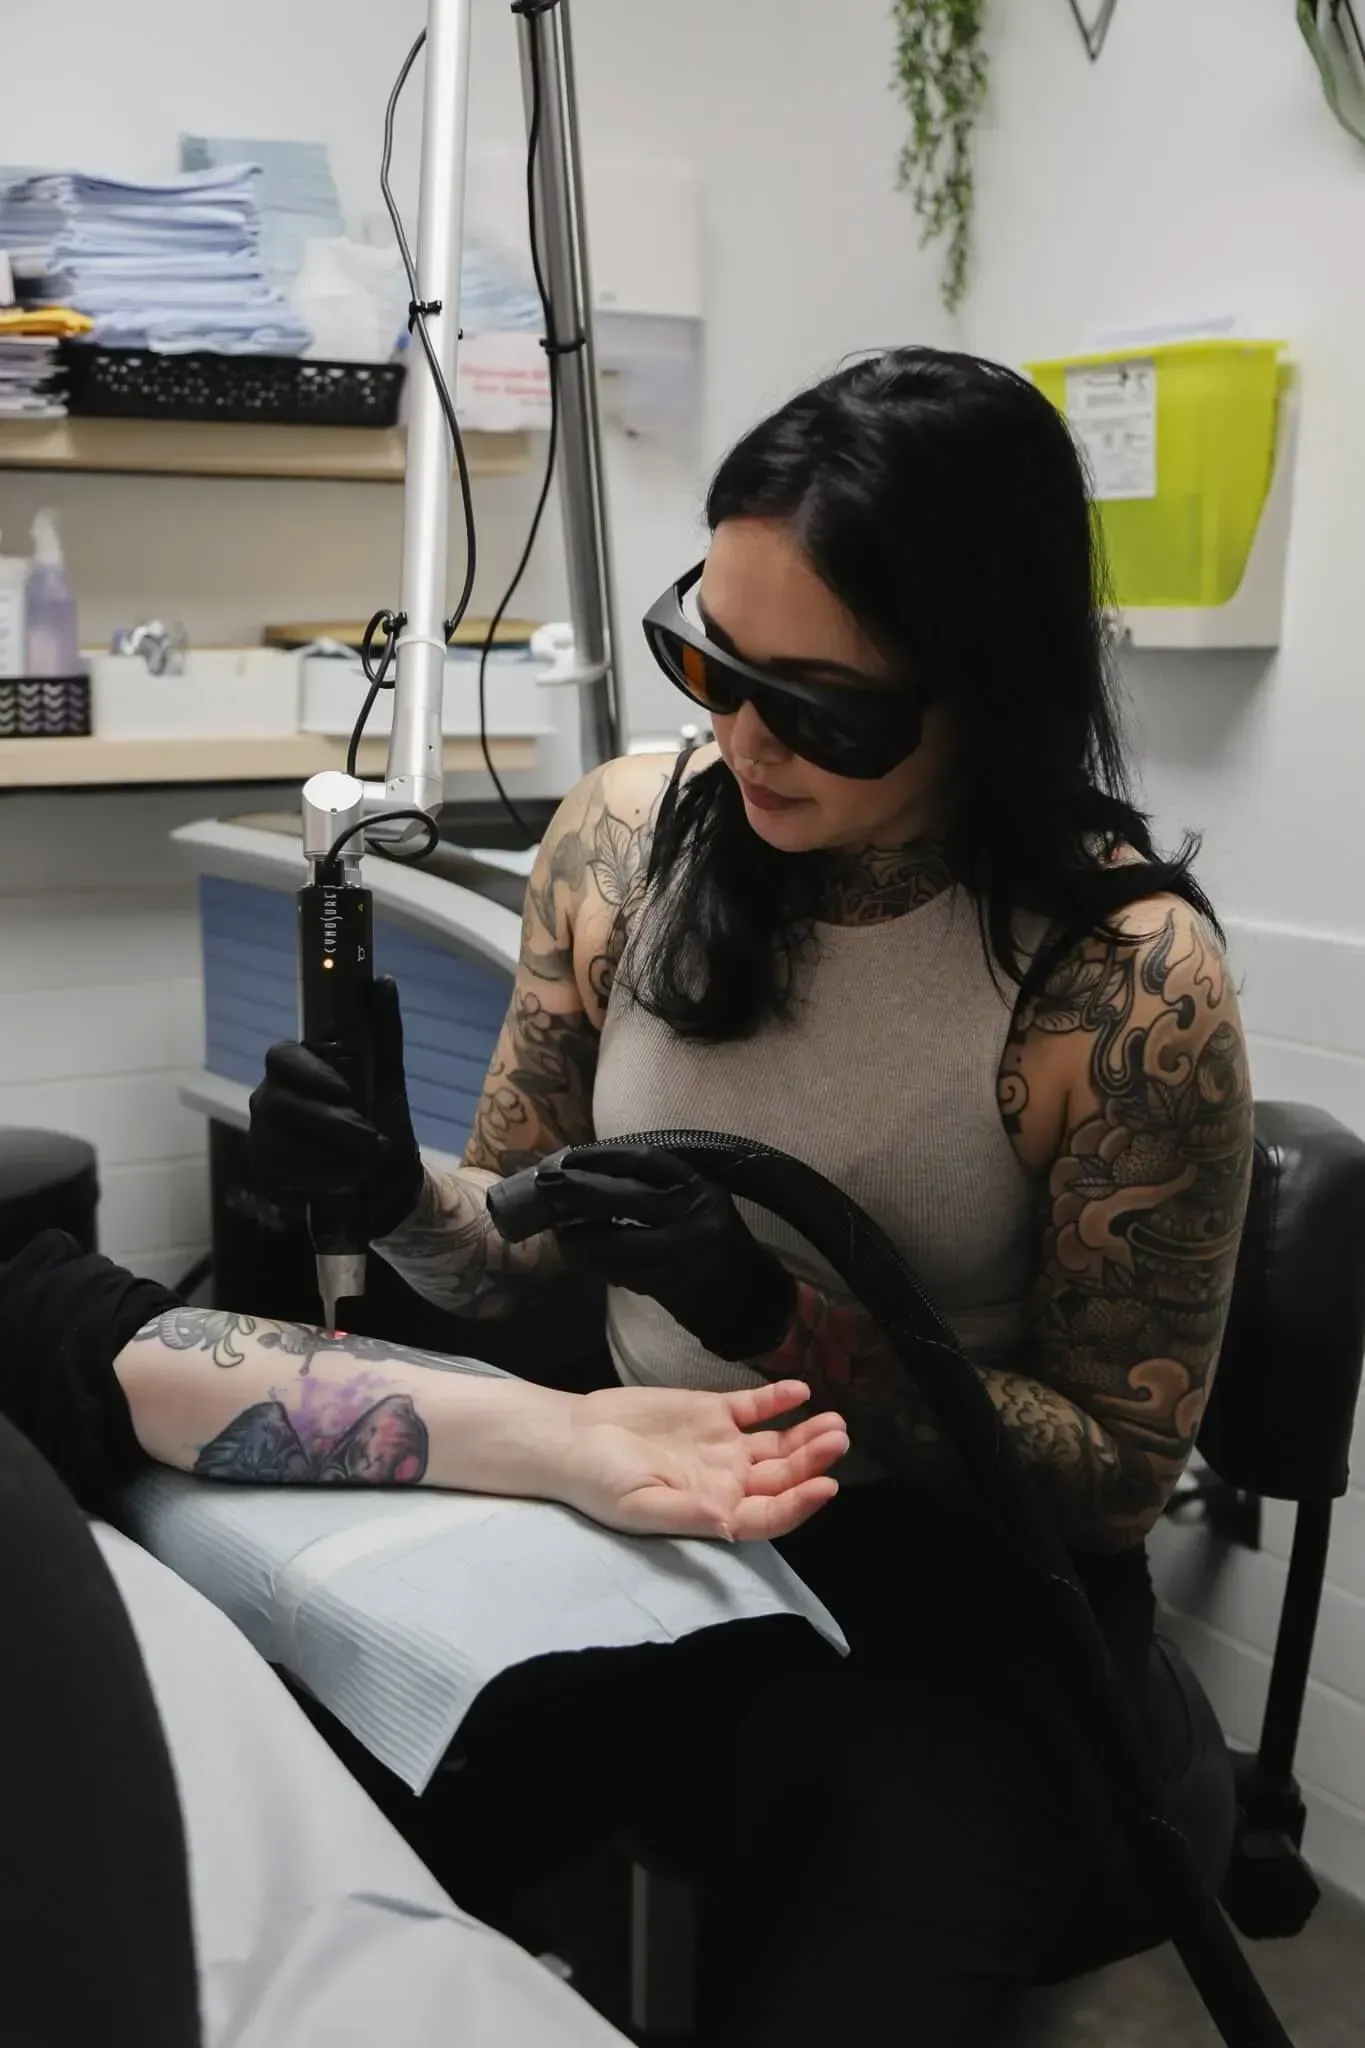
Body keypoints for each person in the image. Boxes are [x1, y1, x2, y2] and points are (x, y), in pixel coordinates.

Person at [249, 346, 1254, 2046]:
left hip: (962, 1613)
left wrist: (782, 1321)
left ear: (981, 679)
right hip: (650, 1519)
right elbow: (506, 1247)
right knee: (317, 1837)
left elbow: (1108, 1476)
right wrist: (390, 1189)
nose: (739, 736)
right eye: (707, 658)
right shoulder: (627, 844)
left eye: (818, 702)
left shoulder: (1125, 982)